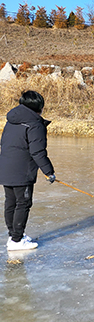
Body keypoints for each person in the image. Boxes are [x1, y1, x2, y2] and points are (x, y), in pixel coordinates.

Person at [0, 91, 55, 251]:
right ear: (39, 107)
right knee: (23, 203)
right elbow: (37, 151)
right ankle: (17, 241)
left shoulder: (12, 120)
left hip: (5, 167)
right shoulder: (34, 124)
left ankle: (14, 237)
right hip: (21, 171)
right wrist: (49, 171)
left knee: (11, 202)